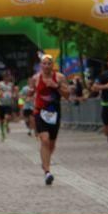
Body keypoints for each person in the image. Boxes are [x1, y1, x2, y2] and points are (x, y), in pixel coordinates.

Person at [30, 55, 70, 185]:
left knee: (51, 143)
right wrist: (29, 92)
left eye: (49, 63)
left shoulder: (59, 77)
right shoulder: (36, 78)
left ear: (53, 65)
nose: (46, 66)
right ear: (40, 65)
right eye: (44, 63)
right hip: (40, 112)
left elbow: (67, 95)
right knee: (45, 140)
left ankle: (45, 161)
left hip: (54, 113)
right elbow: (30, 93)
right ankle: (47, 172)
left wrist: (56, 86)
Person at [0, 74, 16, 141]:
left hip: (8, 103)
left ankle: (7, 124)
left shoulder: (11, 84)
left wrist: (13, 96)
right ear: (4, 78)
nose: (7, 78)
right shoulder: (0, 84)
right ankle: (2, 134)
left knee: (7, 117)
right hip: (1, 103)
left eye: (8, 77)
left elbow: (13, 92)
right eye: (6, 77)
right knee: (1, 120)